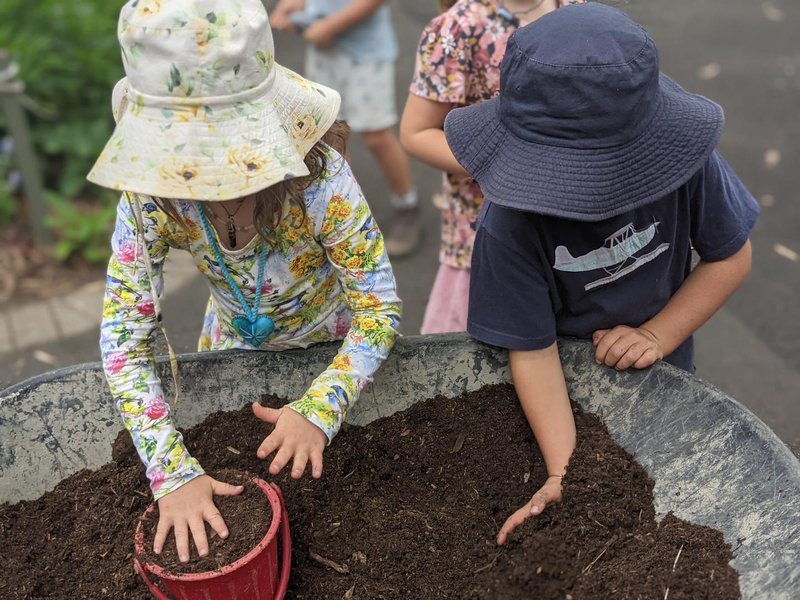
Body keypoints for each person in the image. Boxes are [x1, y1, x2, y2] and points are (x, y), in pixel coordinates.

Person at [87, 0, 401, 563]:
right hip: (232, 348)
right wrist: (172, 474)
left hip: (335, 351)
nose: (199, 176)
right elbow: (122, 343)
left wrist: (321, 409)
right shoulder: (152, 195)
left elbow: (378, 308)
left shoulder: (318, 176)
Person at [443, 3, 759, 544]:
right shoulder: (509, 224)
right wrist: (568, 473)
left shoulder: (691, 164)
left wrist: (658, 334)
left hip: (665, 366)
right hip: (562, 393)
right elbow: (533, 349)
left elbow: (731, 256)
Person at [401, 0, 582, 334]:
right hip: (487, 224)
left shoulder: (575, 8)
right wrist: (503, 166)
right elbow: (416, 133)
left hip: (569, 215)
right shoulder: (457, 28)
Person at [270, 0, 421, 257]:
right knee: (330, 136)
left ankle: (407, 205)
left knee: (376, 136)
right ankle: (345, 216)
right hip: (324, 47)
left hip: (365, 52)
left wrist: (332, 25)